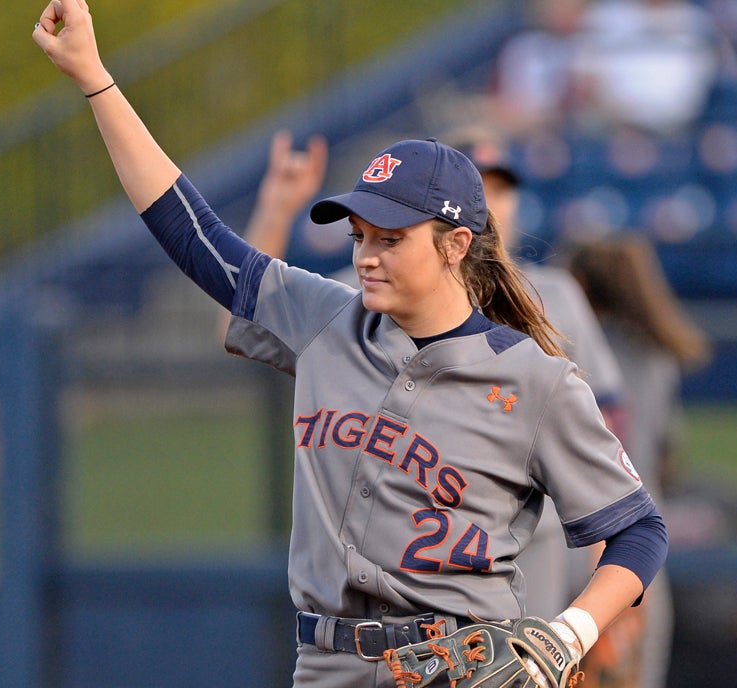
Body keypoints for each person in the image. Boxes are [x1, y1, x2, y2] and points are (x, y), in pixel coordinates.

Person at [33, 0, 668, 686]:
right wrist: (95, 79)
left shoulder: (533, 379)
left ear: (456, 245)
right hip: (327, 666)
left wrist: (569, 633)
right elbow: (192, 233)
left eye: (391, 239)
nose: (366, 255)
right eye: (360, 235)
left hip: (460, 668)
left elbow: (639, 529)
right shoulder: (326, 316)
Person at [233, 124, 631, 625]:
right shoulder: (361, 298)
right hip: (392, 548)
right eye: (483, 185)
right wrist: (275, 210)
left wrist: (598, 603)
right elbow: (248, 314)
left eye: (503, 187)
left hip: (536, 539)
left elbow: (608, 424)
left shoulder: (553, 294)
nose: (495, 200)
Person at [568, 233, 713, 688]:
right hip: (644, 555)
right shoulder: (657, 357)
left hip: (577, 548)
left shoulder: (564, 351)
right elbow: (671, 458)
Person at [572, 0, 731, 138]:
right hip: (613, 128)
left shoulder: (697, 21)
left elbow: (716, 76)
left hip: (679, 130)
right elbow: (584, 78)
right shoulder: (605, 15)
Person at [487, 0, 600, 137]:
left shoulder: (595, 48)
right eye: (557, 2)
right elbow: (504, 103)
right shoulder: (522, 48)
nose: (562, 11)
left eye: (570, 3)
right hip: (526, 133)